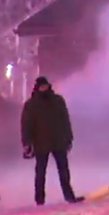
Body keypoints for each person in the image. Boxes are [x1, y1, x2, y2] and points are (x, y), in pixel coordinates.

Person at [21, 76, 82, 205]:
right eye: (42, 86)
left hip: (57, 140)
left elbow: (65, 119)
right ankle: (39, 200)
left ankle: (69, 196)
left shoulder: (57, 101)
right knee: (40, 172)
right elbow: (26, 125)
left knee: (63, 171)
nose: (44, 88)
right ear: (37, 88)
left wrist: (69, 137)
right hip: (41, 142)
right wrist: (27, 142)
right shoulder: (32, 105)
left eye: (45, 86)